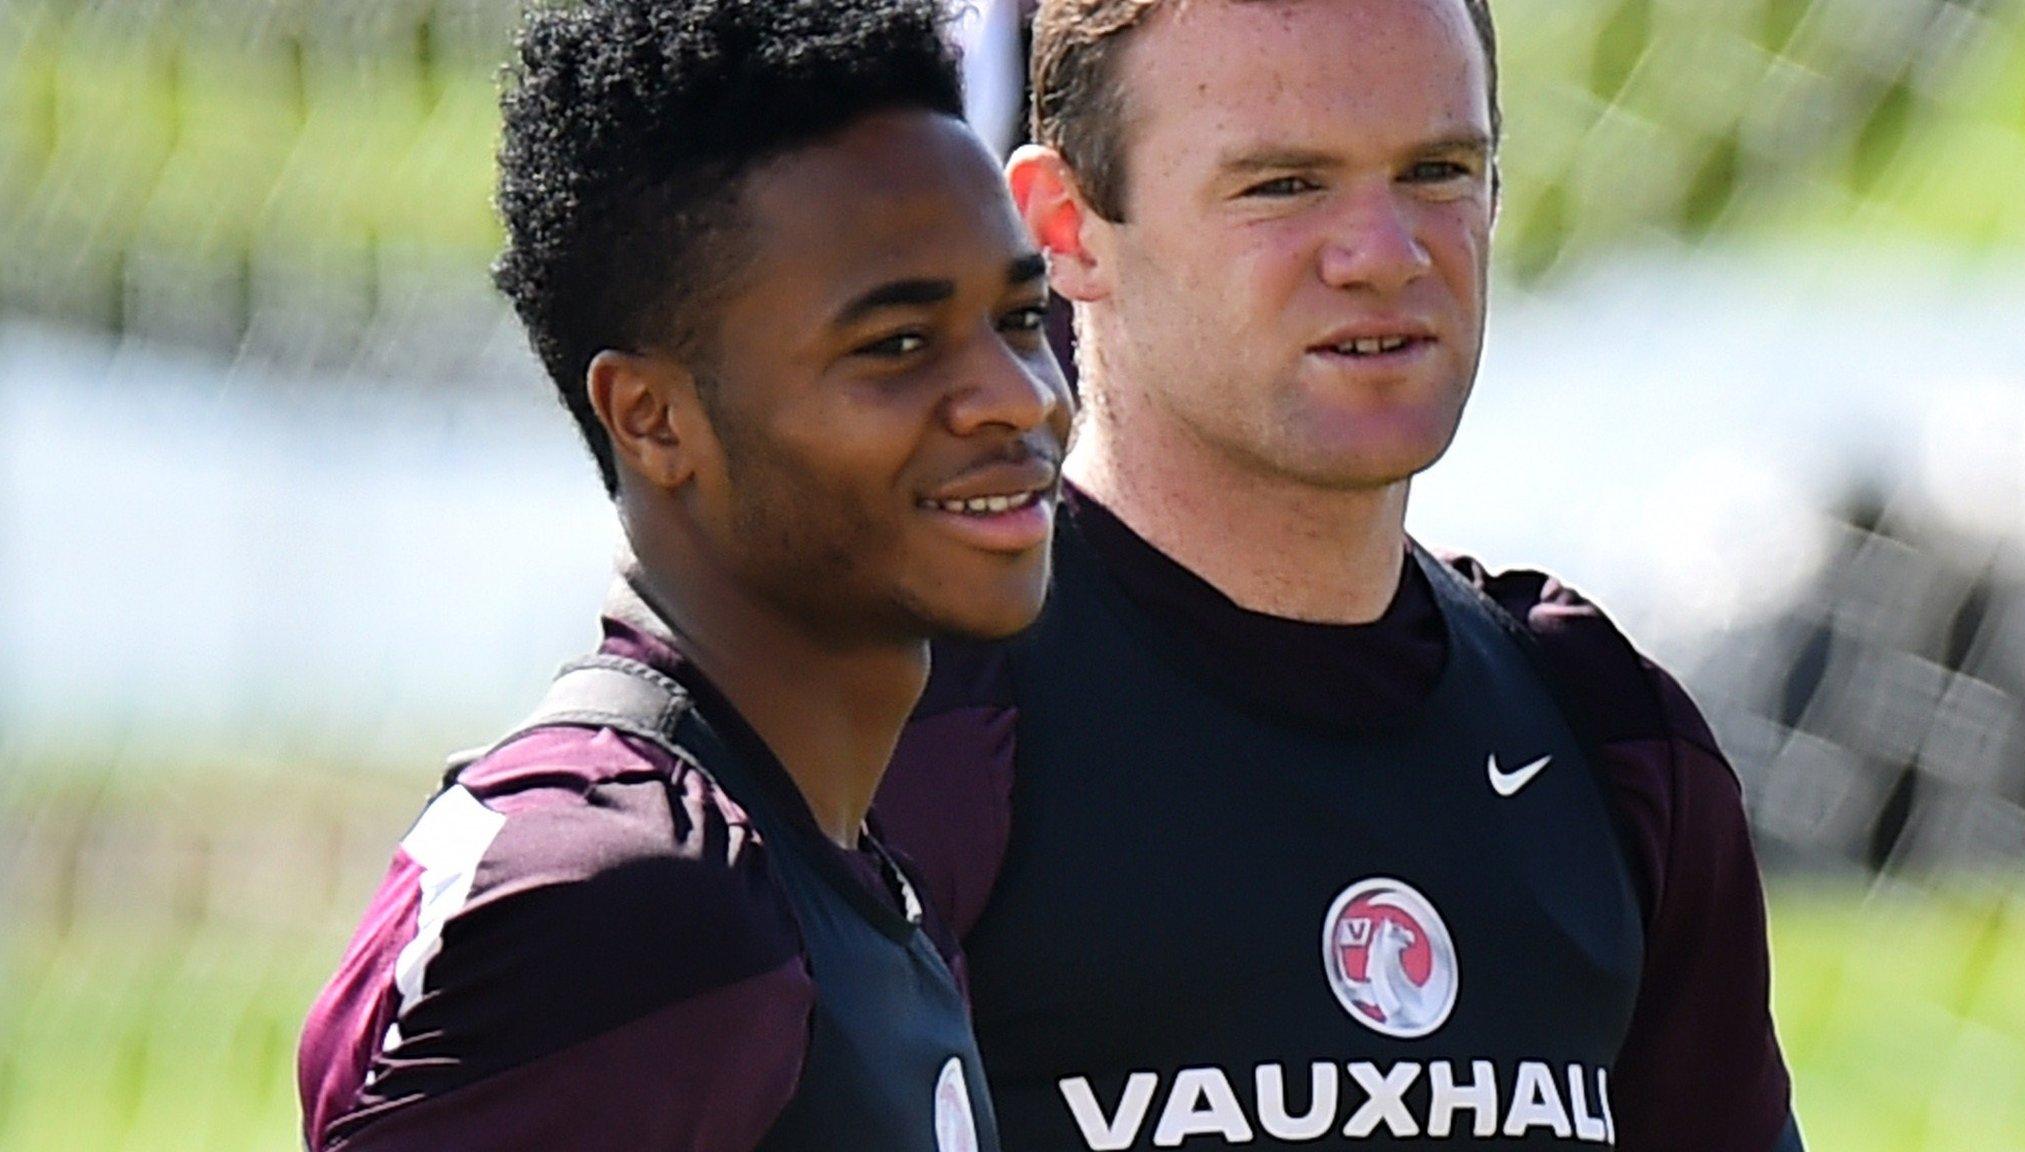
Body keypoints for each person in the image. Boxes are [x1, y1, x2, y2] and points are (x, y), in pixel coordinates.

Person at [874, 0, 1804, 1148]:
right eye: (1283, 185)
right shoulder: (899, 725)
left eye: (1435, 170)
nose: (1384, 253)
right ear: (1062, 229)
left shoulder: (1611, 738)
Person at [296, 0, 1072, 1148]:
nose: (1020, 395)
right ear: (652, 418)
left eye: (1018, 316)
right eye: (896, 345)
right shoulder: (622, 905)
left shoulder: (833, 878)